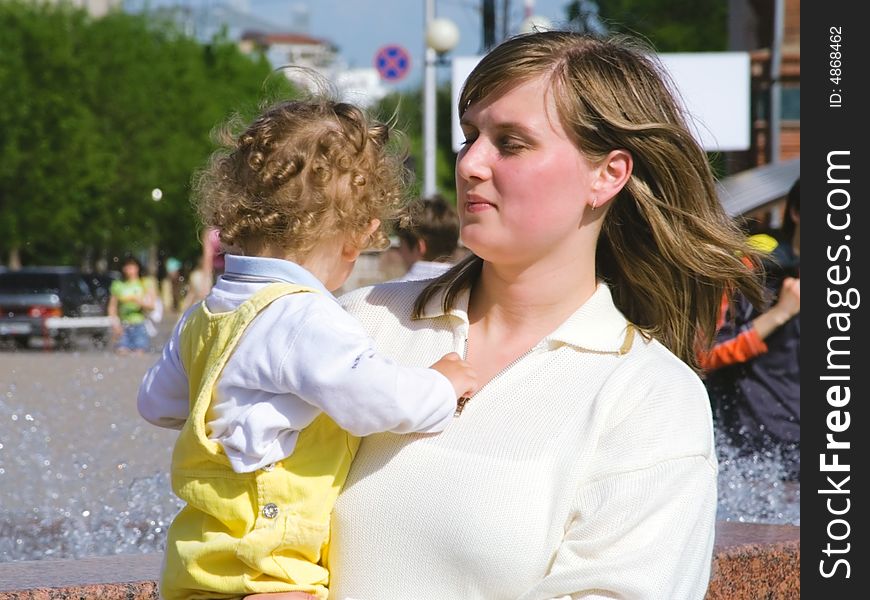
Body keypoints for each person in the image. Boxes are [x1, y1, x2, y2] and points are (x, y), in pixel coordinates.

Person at [292, 31, 762, 600]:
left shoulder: (650, 396)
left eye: (510, 143)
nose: (470, 164)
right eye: (470, 137)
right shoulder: (355, 322)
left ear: (607, 174)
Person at [136, 96, 477, 600]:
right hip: (269, 571)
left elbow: (156, 403)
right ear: (353, 239)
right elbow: (376, 399)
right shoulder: (303, 317)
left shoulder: (207, 313)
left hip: (196, 567)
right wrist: (443, 384)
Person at [700, 178, 800, 479]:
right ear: (796, 212)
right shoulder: (754, 275)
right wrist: (779, 314)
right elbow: (706, 355)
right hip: (754, 453)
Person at [393, 193, 461, 281]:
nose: (400, 253)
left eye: (401, 245)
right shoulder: (472, 287)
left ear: (419, 246)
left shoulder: (381, 292)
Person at [107, 256, 155, 355]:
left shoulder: (145, 283)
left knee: (139, 353)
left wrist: (137, 301)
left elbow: (151, 306)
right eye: (126, 266)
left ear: (137, 267)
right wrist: (115, 324)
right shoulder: (118, 284)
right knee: (121, 352)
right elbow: (112, 307)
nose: (129, 269)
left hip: (140, 324)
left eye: (132, 266)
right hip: (123, 324)